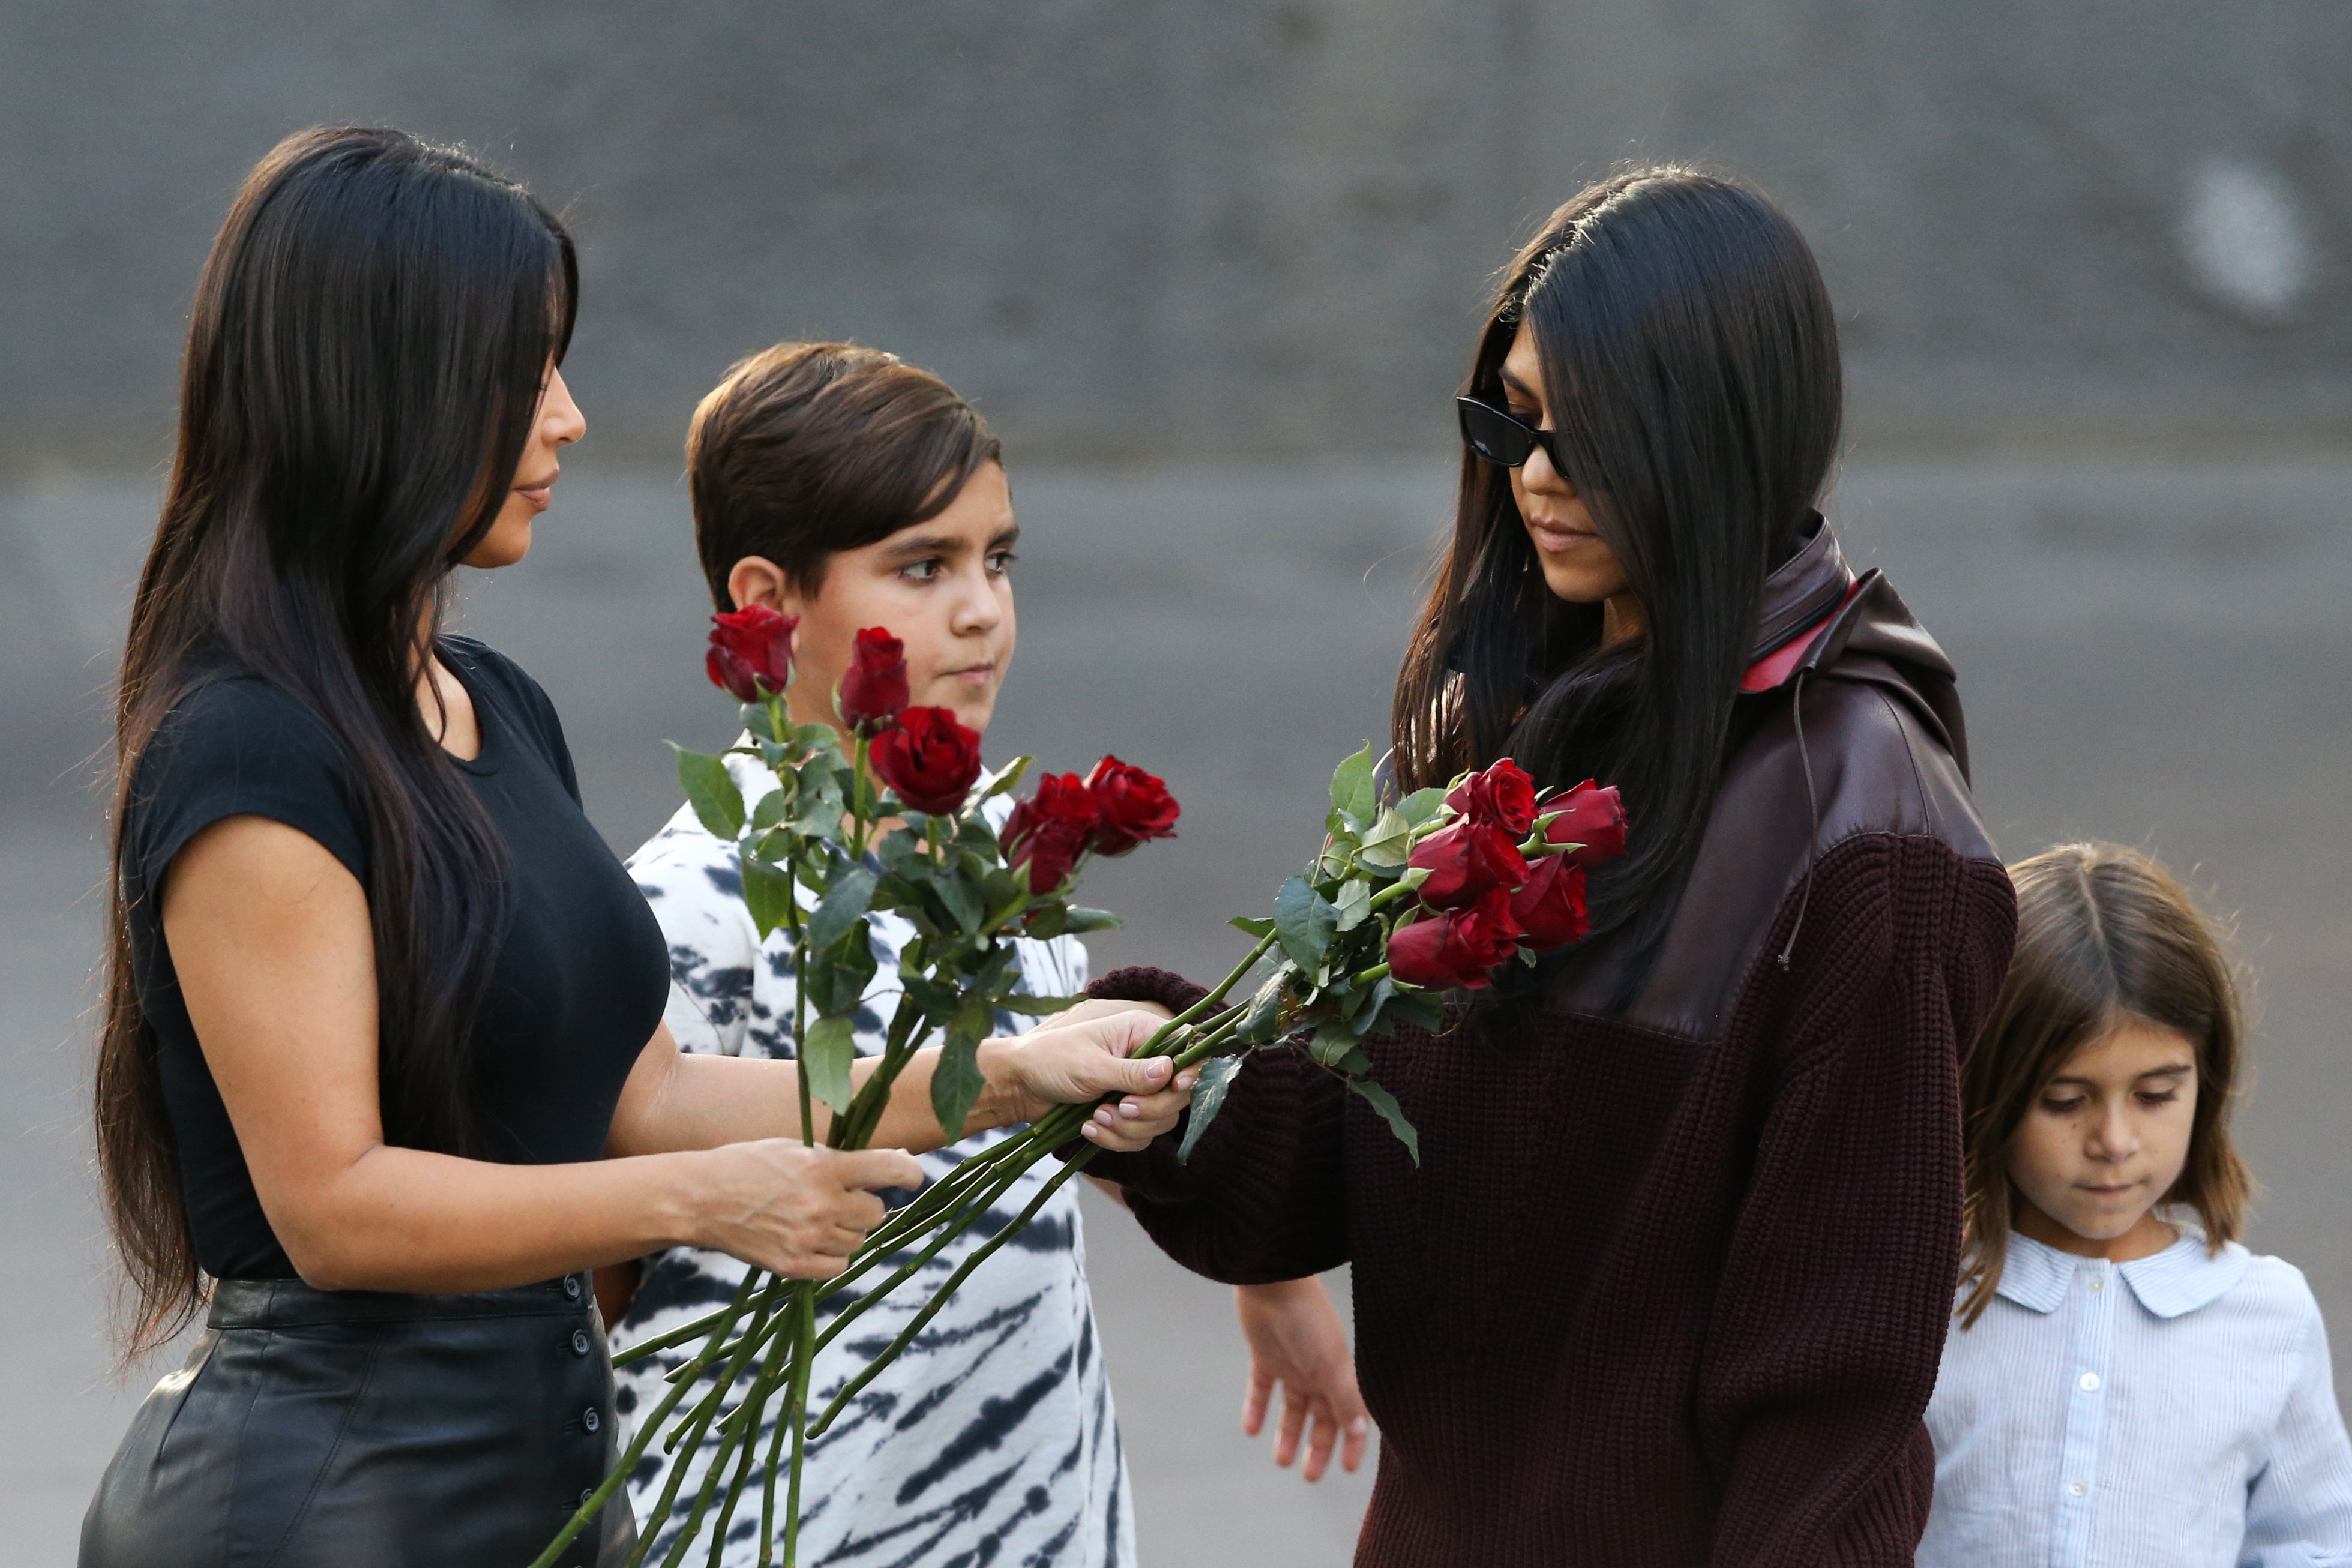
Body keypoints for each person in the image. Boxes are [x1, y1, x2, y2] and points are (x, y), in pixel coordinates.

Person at [80, 128, 1186, 1568]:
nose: (570, 419)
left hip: (536, 1495)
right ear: (387, 389)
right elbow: (334, 1206)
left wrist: (1001, 1074)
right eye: (525, 370)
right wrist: (711, 1202)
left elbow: (641, 1092)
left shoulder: (493, 708)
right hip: (320, 1514)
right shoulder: (245, 746)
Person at [1067, 165, 2019, 1563]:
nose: (1531, 478)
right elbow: (1364, 1154)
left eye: (1590, 435)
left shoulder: (1866, 836)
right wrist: (1180, 1081)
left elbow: (1830, 1421)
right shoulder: (1489, 739)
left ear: (1723, 436)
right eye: (1511, 422)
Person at [607, 341, 1369, 1567]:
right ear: (769, 602)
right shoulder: (690, 905)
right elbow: (615, 1252)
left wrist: (1261, 1261)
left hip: (1032, 1508)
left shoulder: (983, 859)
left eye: (996, 558)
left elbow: (1017, 1127)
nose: (980, 606)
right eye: (922, 565)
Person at [1919, 843, 2352, 1564]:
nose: (2114, 1141)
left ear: (2205, 1084)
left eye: (2155, 1095)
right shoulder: (1919, 1305)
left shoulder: (2269, 1316)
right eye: (2063, 1100)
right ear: (1983, 1088)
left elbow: (2315, 1540)